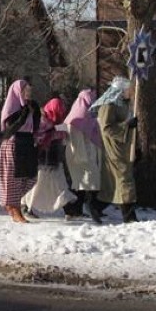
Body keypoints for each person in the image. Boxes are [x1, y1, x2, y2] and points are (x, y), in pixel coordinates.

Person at [91, 76, 139, 224]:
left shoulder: (123, 104)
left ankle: (97, 206)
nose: (131, 93)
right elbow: (106, 127)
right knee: (125, 179)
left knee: (114, 183)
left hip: (124, 146)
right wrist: (127, 125)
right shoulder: (108, 105)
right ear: (120, 90)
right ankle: (129, 216)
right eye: (128, 90)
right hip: (114, 148)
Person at [21, 94, 76, 216]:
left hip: (54, 158)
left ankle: (70, 210)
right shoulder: (41, 120)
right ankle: (26, 206)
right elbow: (37, 136)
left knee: (60, 184)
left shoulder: (57, 122)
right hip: (42, 160)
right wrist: (53, 131)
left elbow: (62, 136)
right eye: (58, 111)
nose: (59, 114)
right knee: (38, 185)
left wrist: (61, 131)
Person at [0, 79, 41, 223]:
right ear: (18, 92)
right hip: (14, 143)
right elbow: (10, 129)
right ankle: (14, 208)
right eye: (25, 91)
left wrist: (35, 112)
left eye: (30, 90)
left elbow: (35, 126)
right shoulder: (11, 108)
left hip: (28, 142)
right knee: (13, 179)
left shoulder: (31, 106)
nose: (28, 93)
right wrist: (24, 113)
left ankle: (11, 203)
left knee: (31, 177)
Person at [64, 88, 104, 223]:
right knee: (90, 181)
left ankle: (74, 210)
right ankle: (92, 208)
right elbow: (78, 137)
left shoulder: (81, 113)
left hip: (81, 154)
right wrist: (83, 157)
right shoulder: (80, 116)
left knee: (80, 184)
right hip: (81, 154)